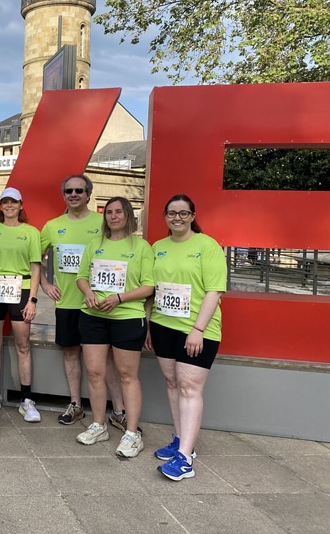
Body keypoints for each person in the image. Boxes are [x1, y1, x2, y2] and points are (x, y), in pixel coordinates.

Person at [40, 175, 130, 430]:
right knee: (70, 353)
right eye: (69, 190)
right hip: (67, 303)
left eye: (80, 190)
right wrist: (45, 285)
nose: (74, 194)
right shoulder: (52, 226)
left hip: (100, 304)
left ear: (89, 194)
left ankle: (119, 411)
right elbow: (34, 257)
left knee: (108, 359)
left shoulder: (102, 223)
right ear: (64, 195)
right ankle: (76, 404)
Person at [147, 194, 226, 480]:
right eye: (171, 213)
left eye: (183, 213)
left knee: (190, 388)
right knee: (172, 383)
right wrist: (147, 324)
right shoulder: (158, 247)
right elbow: (152, 289)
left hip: (197, 330)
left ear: (193, 215)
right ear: (165, 216)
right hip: (162, 325)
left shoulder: (208, 246)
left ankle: (185, 460)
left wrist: (198, 330)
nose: (177, 218)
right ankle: (181, 441)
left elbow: (214, 291)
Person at [75, 197, 154, 457]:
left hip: (127, 317)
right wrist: (87, 292)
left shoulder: (141, 247)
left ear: (128, 215)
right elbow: (81, 277)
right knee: (95, 372)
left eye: (118, 211)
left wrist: (119, 298)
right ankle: (99, 425)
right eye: (108, 212)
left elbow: (148, 286)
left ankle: (132, 433)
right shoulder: (94, 244)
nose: (113, 216)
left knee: (127, 375)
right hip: (93, 316)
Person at [0, 187, 42, 421]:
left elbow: (36, 267)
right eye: (5, 202)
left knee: (22, 344)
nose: (9, 206)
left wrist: (33, 299)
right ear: (0, 206)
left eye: (13, 202)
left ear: (20, 205)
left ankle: (26, 399)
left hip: (21, 291)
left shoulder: (31, 232)